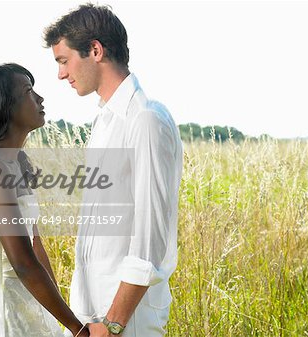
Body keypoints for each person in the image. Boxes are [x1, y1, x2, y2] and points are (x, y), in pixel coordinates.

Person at [44, 4, 183, 337]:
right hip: (90, 312)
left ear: (95, 50)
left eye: (64, 61)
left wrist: (114, 324)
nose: (61, 74)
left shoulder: (146, 120)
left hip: (125, 321)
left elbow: (150, 237)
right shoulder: (105, 119)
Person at [0, 63, 89, 337]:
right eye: (28, 91)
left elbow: (35, 245)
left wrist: (59, 314)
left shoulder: (19, 162)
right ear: (5, 107)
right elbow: (22, 261)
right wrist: (77, 328)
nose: (40, 98)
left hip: (27, 297)